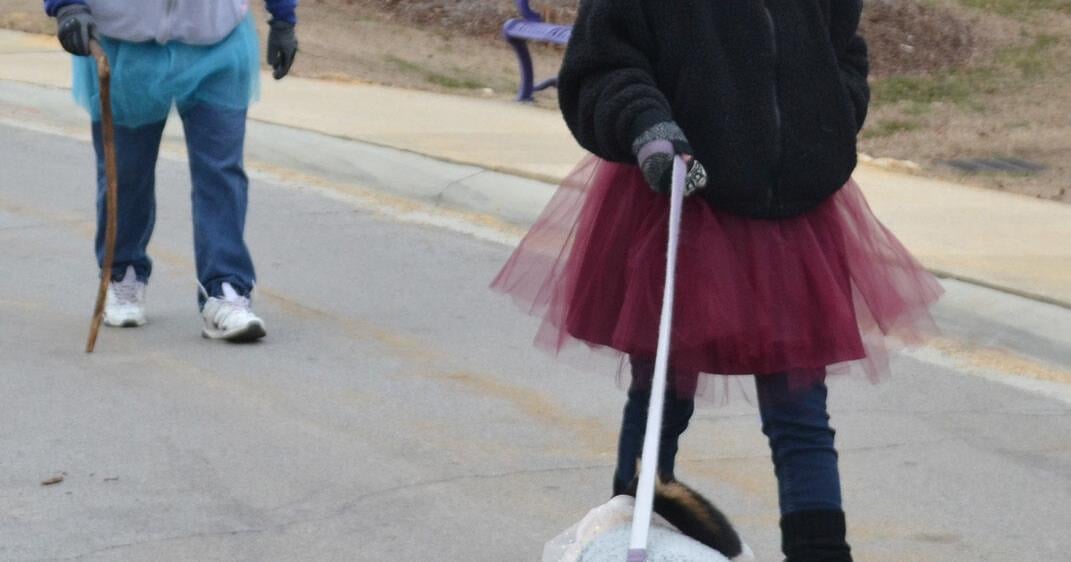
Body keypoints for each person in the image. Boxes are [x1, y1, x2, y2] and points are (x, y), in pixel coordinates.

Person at [491, 1, 944, 560]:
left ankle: (821, 550)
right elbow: (604, 63)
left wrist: (832, 113)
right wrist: (648, 130)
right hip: (683, 202)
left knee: (799, 411)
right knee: (661, 394)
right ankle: (631, 532)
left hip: (793, 211)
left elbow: (843, 49)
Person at [45, 0, 300, 341]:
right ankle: (124, 273)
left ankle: (225, 289)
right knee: (126, 171)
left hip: (217, 39)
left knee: (221, 170)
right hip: (124, 43)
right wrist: (66, 5)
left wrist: (283, 18)